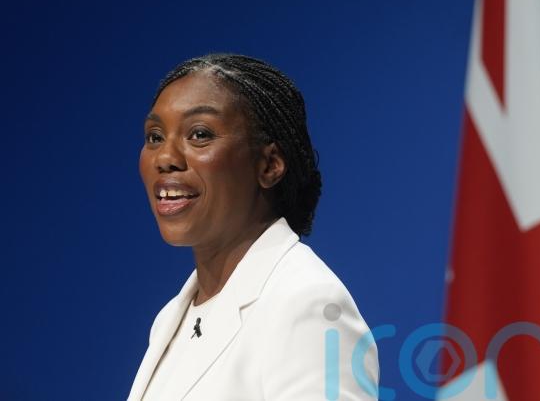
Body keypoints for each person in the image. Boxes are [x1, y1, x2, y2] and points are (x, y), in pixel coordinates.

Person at [128, 53, 379, 400]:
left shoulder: (307, 303)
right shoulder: (171, 319)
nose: (165, 157)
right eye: (155, 136)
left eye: (199, 134)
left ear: (269, 165)